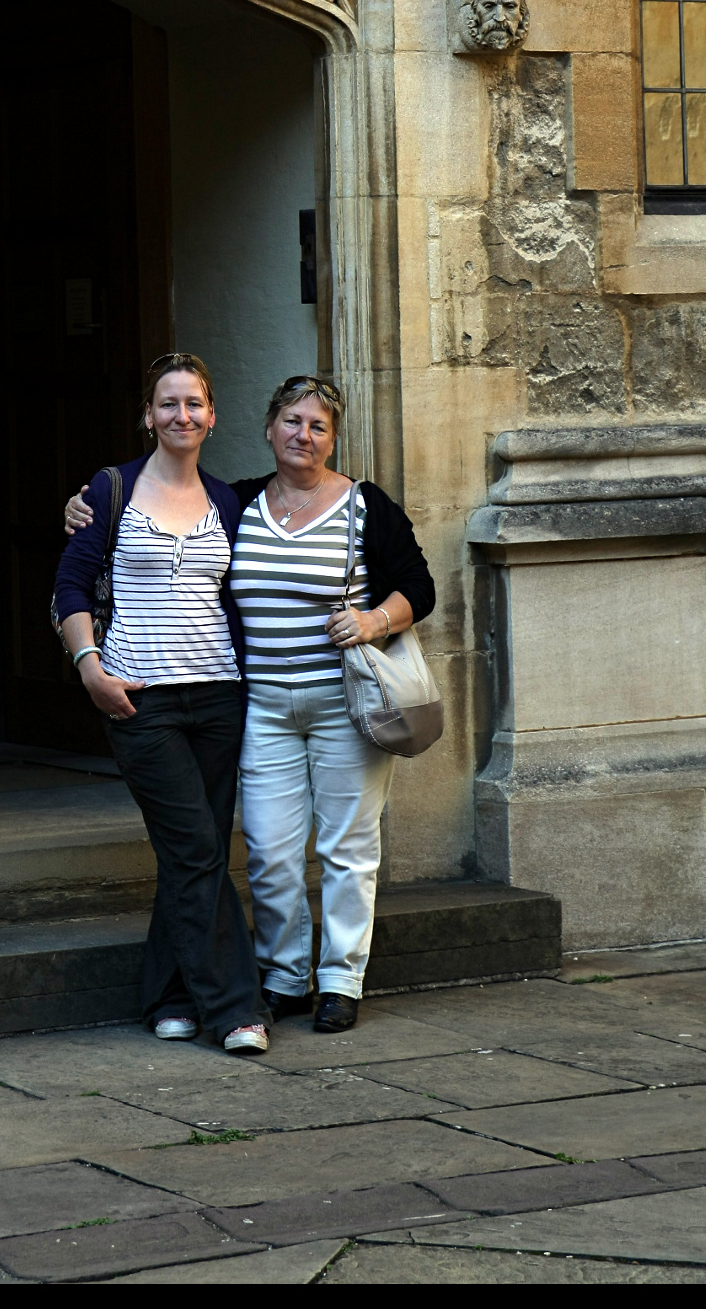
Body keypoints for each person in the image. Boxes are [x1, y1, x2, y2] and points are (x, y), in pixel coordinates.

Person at [64, 373, 435, 1035]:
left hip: (342, 705)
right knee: (268, 851)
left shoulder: (365, 506)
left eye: (318, 426)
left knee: (348, 846)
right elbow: (162, 511)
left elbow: (418, 585)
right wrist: (81, 506)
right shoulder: (239, 501)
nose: (303, 435)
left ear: (333, 439)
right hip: (260, 705)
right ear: (268, 429)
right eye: (292, 421)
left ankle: (340, 980)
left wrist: (374, 620)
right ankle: (285, 976)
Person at [53, 353, 272, 1055]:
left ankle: (169, 997)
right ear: (147, 415)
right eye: (168, 403)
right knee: (197, 847)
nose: (182, 415)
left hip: (219, 696)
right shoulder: (111, 490)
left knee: (190, 852)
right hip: (139, 699)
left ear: (213, 416)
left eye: (194, 403)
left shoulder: (229, 501)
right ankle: (236, 1009)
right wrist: (89, 667)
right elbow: (70, 587)